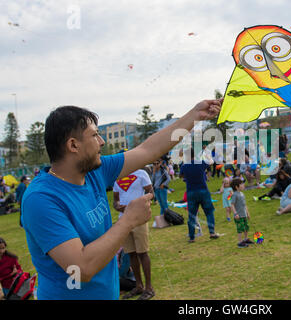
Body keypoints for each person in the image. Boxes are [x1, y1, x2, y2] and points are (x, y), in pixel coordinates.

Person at [21, 100, 222, 300]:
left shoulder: (94, 172)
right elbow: (81, 268)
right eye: (94, 135)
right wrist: (128, 221)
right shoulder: (41, 199)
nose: (102, 141)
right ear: (73, 145)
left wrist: (195, 115)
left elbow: (148, 150)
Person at [113, 166, 155, 300]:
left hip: (138, 219)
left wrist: (140, 203)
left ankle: (149, 288)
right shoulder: (117, 179)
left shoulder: (141, 173)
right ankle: (139, 286)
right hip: (124, 220)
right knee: (131, 254)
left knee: (142, 253)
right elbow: (115, 200)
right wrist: (117, 205)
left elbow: (151, 192)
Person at [179, 149, 221, 243]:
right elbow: (211, 162)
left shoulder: (184, 166)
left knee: (192, 215)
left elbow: (181, 176)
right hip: (203, 190)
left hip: (191, 191)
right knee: (209, 212)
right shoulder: (200, 163)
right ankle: (212, 232)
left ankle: (192, 237)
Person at [230, 178, 253, 248]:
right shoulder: (234, 195)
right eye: (242, 184)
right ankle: (239, 242)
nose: (243, 185)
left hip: (244, 214)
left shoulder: (242, 194)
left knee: (246, 227)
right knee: (240, 228)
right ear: (237, 187)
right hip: (238, 216)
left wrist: (247, 213)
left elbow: (244, 204)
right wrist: (235, 213)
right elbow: (232, 204)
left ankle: (245, 239)